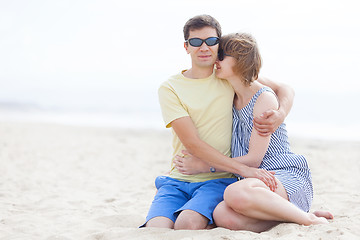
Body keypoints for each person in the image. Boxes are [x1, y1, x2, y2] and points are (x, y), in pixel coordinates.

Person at [143, 14, 295, 230]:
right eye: (196, 42)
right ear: (186, 47)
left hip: (219, 178)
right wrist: (245, 170)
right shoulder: (170, 88)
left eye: (211, 41)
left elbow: (284, 89)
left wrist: (280, 114)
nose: (204, 47)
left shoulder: (228, 76)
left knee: (188, 225)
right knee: (156, 229)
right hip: (180, 176)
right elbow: (192, 143)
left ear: (218, 45)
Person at [173, 32, 333, 232]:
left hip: (280, 174)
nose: (216, 59)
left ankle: (307, 219)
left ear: (240, 61)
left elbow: (254, 160)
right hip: (253, 182)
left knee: (234, 193)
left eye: (222, 55)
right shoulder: (227, 88)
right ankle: (292, 214)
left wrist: (205, 166)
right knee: (222, 214)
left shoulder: (262, 97)